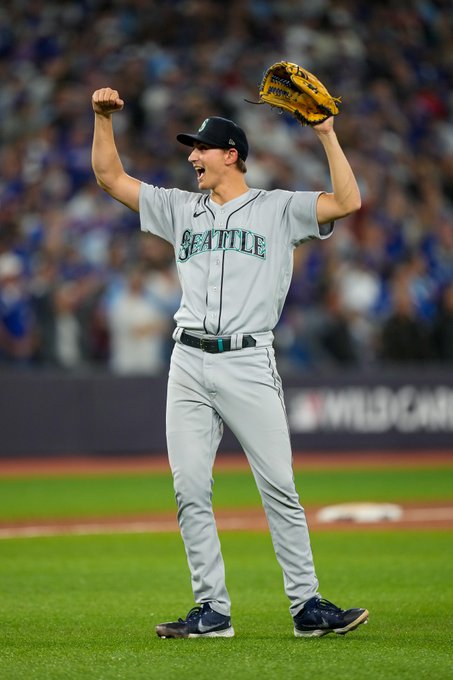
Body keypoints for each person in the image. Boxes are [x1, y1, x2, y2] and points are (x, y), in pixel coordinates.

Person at [91, 87, 368, 639]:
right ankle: (211, 611)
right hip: (188, 362)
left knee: (279, 487)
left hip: (248, 360)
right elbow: (110, 178)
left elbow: (347, 201)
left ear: (231, 155)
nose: (192, 156)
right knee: (189, 487)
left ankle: (307, 605)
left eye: (202, 148)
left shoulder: (276, 208)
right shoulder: (178, 208)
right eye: (192, 149)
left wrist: (327, 134)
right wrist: (101, 120)